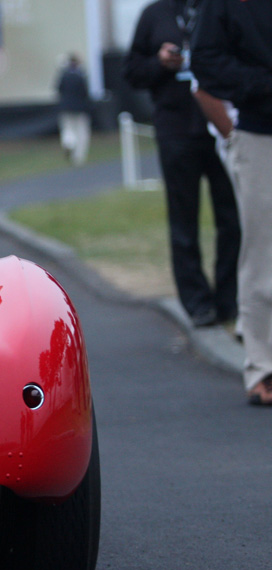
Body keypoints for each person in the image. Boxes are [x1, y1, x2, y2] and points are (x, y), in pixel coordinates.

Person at [123, 0, 241, 328]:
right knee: (183, 220)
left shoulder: (222, 9)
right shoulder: (155, 14)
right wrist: (160, 62)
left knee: (232, 218)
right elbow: (131, 71)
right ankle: (197, 302)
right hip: (176, 130)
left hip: (221, 126)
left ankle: (229, 299)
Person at [191, 0, 272, 406]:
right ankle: (264, 369)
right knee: (262, 253)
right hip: (261, 135)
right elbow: (205, 61)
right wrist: (262, 83)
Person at [55, 53, 92, 166]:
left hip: (65, 107)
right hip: (80, 108)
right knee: (81, 132)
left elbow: (58, 89)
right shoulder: (81, 75)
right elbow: (85, 92)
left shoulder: (64, 75)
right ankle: (78, 157)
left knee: (68, 129)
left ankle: (68, 143)